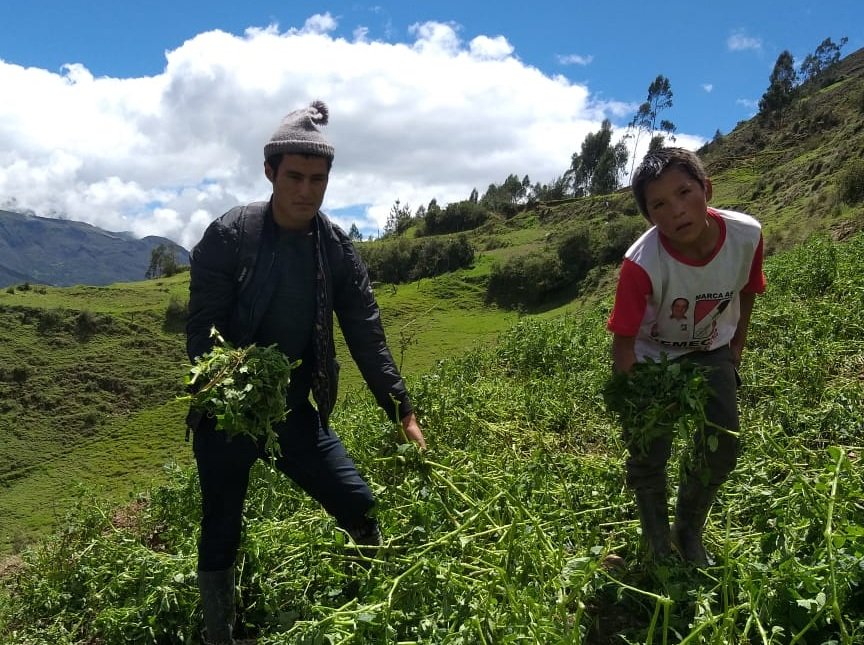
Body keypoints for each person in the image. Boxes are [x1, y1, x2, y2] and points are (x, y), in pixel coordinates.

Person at [185, 100, 427, 644]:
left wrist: (402, 410)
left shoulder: (335, 249)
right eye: (294, 177)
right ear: (270, 172)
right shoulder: (229, 236)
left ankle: (368, 609)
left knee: (358, 501)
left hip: (294, 408)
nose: (306, 191)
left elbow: (367, 332)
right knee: (221, 521)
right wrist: (232, 382)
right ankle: (217, 631)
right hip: (229, 409)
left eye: (318, 179)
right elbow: (202, 330)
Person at [606, 147, 765, 565]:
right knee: (649, 455)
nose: (677, 210)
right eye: (660, 204)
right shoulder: (641, 265)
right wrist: (635, 401)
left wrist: (735, 348)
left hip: (711, 348)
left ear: (706, 189)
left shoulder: (746, 236)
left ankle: (687, 531)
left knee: (722, 445)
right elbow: (623, 342)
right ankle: (657, 547)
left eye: (684, 192)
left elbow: (749, 290)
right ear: (650, 217)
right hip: (651, 359)